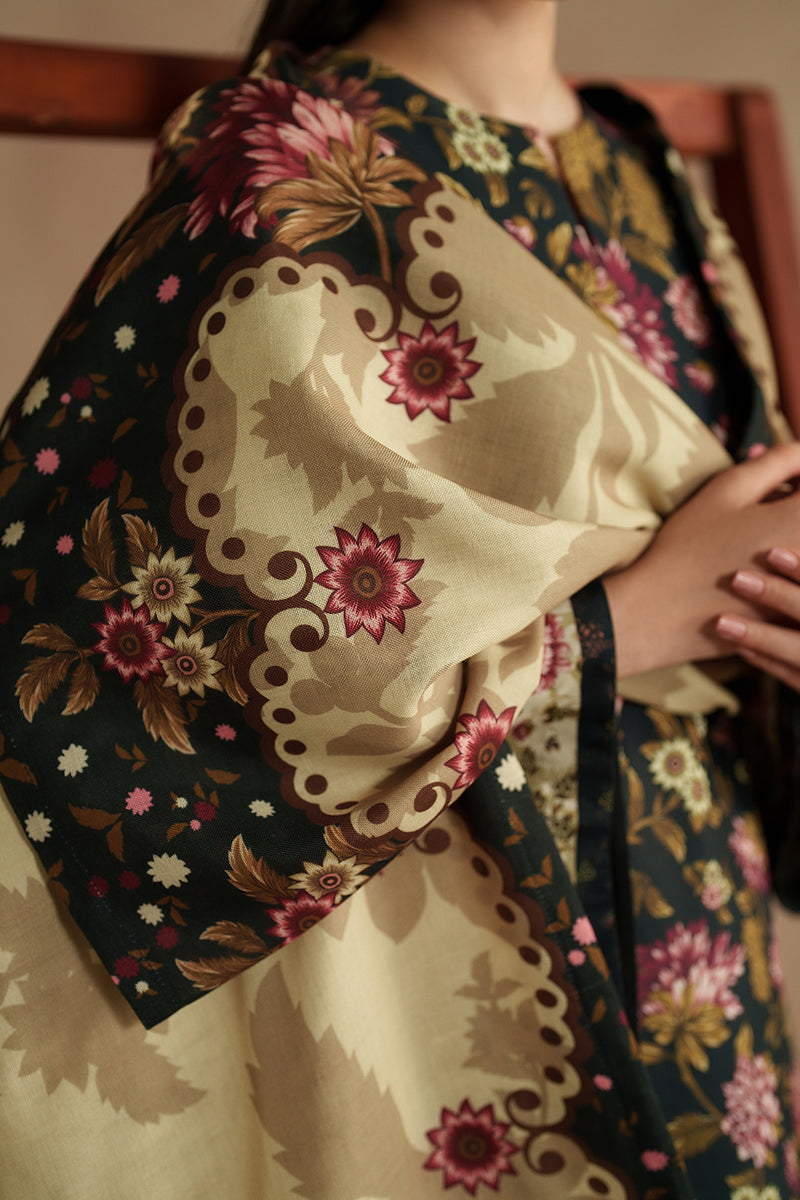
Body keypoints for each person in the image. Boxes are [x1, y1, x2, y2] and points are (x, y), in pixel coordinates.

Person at [1, 1, 799, 1196]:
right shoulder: (277, 166)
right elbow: (112, 636)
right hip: (478, 908)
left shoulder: (648, 165)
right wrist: (605, 631)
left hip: (700, 901)